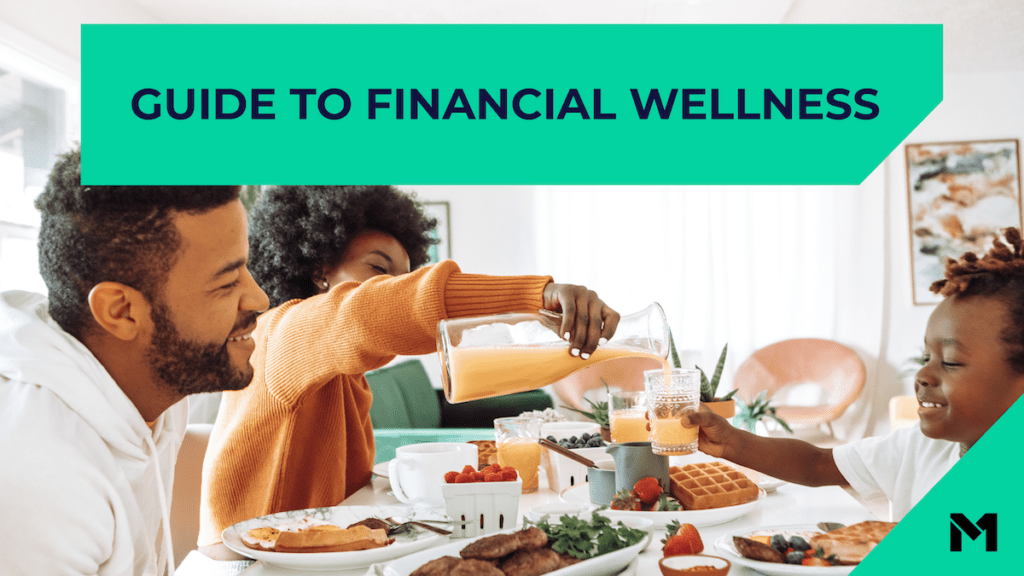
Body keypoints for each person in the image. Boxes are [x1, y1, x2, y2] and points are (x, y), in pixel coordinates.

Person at [196, 185, 620, 561]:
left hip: (323, 554)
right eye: (380, 270)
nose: (394, 286)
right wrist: (532, 296)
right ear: (319, 271)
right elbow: (365, 312)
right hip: (249, 561)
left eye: (405, 276)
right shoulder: (285, 334)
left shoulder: (338, 370)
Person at [0, 147, 270, 575]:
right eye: (226, 282)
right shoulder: (43, 475)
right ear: (121, 311)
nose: (259, 298)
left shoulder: (153, 386)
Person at [681, 227, 1024, 520]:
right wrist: (731, 442)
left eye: (950, 361)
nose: (922, 374)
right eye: (926, 357)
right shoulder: (917, 448)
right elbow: (816, 464)